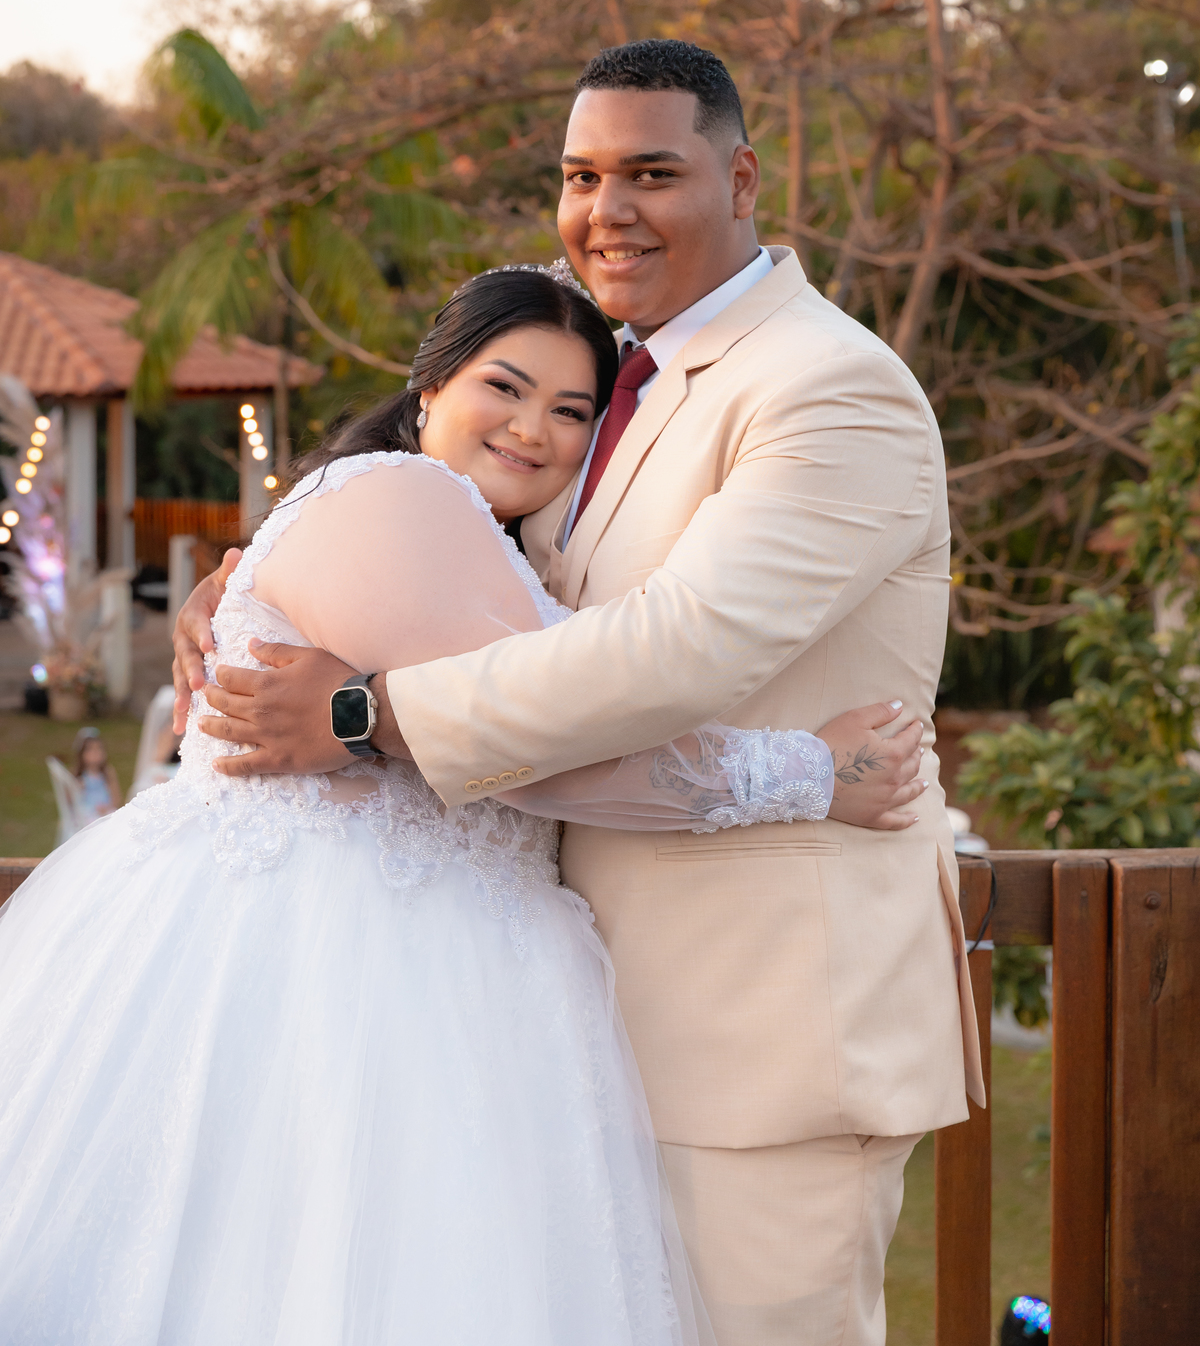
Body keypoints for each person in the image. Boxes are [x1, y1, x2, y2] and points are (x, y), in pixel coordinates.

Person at [179, 39, 984, 1346]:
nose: (609, 209)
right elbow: (477, 562)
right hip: (572, 1035)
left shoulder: (830, 389)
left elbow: (679, 651)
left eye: (652, 172)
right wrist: (265, 581)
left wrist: (360, 711)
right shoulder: (615, 384)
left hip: (760, 1050)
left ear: (743, 179)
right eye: (582, 174)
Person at [0, 267, 920, 1346]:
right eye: (507, 387)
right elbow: (538, 751)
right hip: (326, 967)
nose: (534, 429)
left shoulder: (482, 530)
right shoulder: (406, 497)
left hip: (454, 966)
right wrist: (811, 771)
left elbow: (532, 717)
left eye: (572, 411)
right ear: (430, 384)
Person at [72, 727, 123, 820]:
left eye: (99, 748)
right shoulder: (80, 775)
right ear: (81, 753)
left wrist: (108, 807)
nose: (95, 753)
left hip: (106, 811)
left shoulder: (107, 772)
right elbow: (72, 800)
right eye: (90, 749)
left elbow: (116, 796)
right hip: (86, 814)